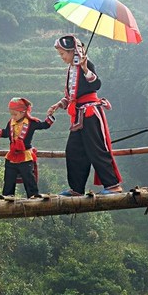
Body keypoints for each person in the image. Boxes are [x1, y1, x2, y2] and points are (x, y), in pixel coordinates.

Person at [46, 34, 123, 196]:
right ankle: (77, 189)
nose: (61, 57)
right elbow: (72, 96)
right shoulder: (71, 70)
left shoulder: (86, 65)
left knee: (96, 149)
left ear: (73, 51)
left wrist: (86, 68)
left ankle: (113, 185)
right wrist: (59, 104)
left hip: (90, 113)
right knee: (73, 150)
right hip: (78, 115)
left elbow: (96, 84)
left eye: (63, 54)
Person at [0, 97, 55, 200]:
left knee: (28, 176)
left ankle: (33, 195)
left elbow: (44, 125)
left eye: (15, 114)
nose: (13, 116)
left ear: (23, 112)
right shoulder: (10, 123)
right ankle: (7, 195)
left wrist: (50, 116)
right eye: (11, 114)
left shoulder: (31, 122)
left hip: (25, 155)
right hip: (12, 155)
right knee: (9, 176)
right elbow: (6, 133)